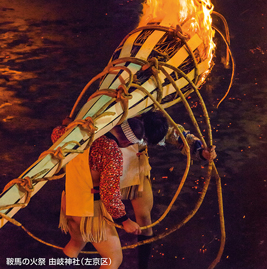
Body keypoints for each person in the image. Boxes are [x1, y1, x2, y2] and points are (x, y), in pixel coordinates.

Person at [119, 110, 217, 269]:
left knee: (144, 220)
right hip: (105, 167)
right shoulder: (114, 110)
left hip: (134, 168)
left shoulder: (149, 109)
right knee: (102, 223)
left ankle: (142, 266)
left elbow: (175, 133)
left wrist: (202, 152)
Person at [51, 117, 146, 269]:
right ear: (127, 142)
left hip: (70, 201)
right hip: (89, 210)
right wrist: (125, 220)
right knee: (113, 258)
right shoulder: (112, 151)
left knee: (76, 244)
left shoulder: (81, 133)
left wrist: (66, 125)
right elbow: (109, 192)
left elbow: (56, 134)